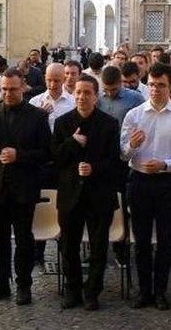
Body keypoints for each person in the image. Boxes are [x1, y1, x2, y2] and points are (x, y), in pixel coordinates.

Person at [0, 68, 50, 305]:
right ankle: (0, 282)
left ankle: (24, 284)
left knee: (24, 240)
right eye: (3, 89)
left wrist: (19, 155)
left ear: (22, 87)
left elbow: (46, 154)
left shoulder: (37, 116)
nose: (8, 93)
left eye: (12, 89)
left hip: (23, 187)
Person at [120, 62, 171, 310]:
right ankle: (144, 291)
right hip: (139, 181)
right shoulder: (134, 115)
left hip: (168, 183)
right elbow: (122, 154)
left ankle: (161, 291)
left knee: (165, 241)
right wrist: (131, 145)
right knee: (141, 240)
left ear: (170, 86)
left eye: (161, 85)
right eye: (151, 84)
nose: (155, 89)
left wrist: (165, 164)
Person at [52, 75, 121, 310]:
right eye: (78, 93)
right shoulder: (62, 123)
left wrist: (95, 168)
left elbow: (115, 162)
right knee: (68, 246)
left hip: (99, 195)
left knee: (99, 247)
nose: (82, 97)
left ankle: (93, 291)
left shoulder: (109, 123)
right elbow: (55, 158)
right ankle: (73, 290)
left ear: (96, 96)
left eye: (87, 93)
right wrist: (72, 142)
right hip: (70, 195)